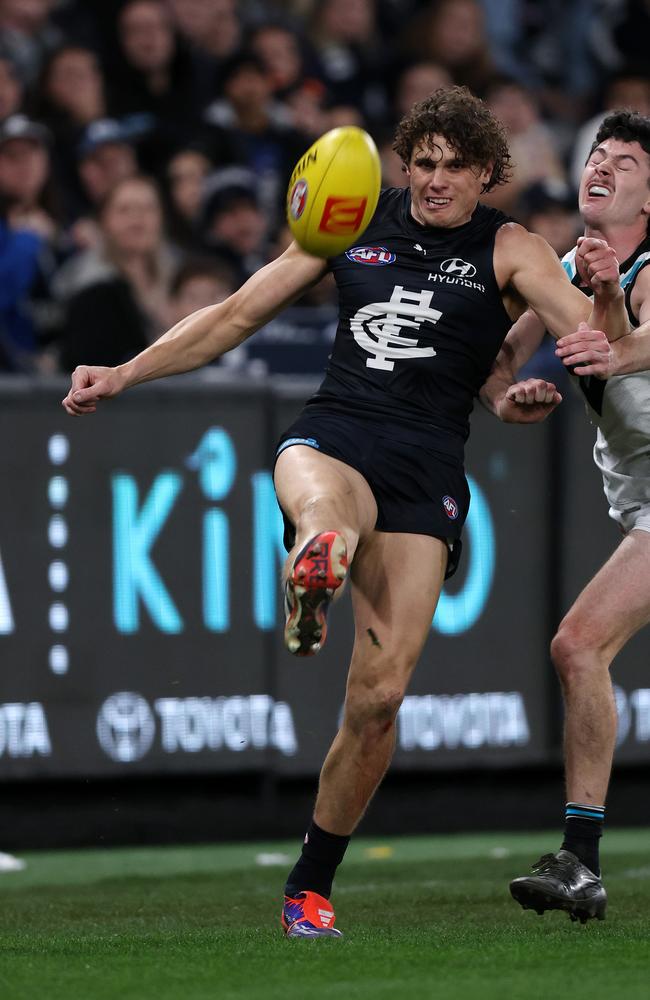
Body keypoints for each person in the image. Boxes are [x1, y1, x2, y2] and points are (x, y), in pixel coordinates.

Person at [61, 86, 626, 938]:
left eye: (454, 167)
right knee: (327, 504)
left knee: (380, 698)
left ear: (487, 174)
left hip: (427, 465)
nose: (434, 180)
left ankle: (310, 880)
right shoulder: (352, 220)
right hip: (334, 432)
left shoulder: (511, 248)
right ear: (405, 165)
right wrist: (122, 373)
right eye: (422, 163)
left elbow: (594, 335)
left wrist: (552, 360)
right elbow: (237, 311)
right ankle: (315, 554)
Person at [481, 109, 650, 924]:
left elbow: (632, 340)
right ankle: (579, 861)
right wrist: (510, 399)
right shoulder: (567, 270)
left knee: (577, 644)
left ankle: (580, 862)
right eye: (596, 154)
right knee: (581, 649)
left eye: (624, 160)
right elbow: (506, 354)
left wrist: (617, 338)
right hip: (644, 502)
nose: (602, 166)